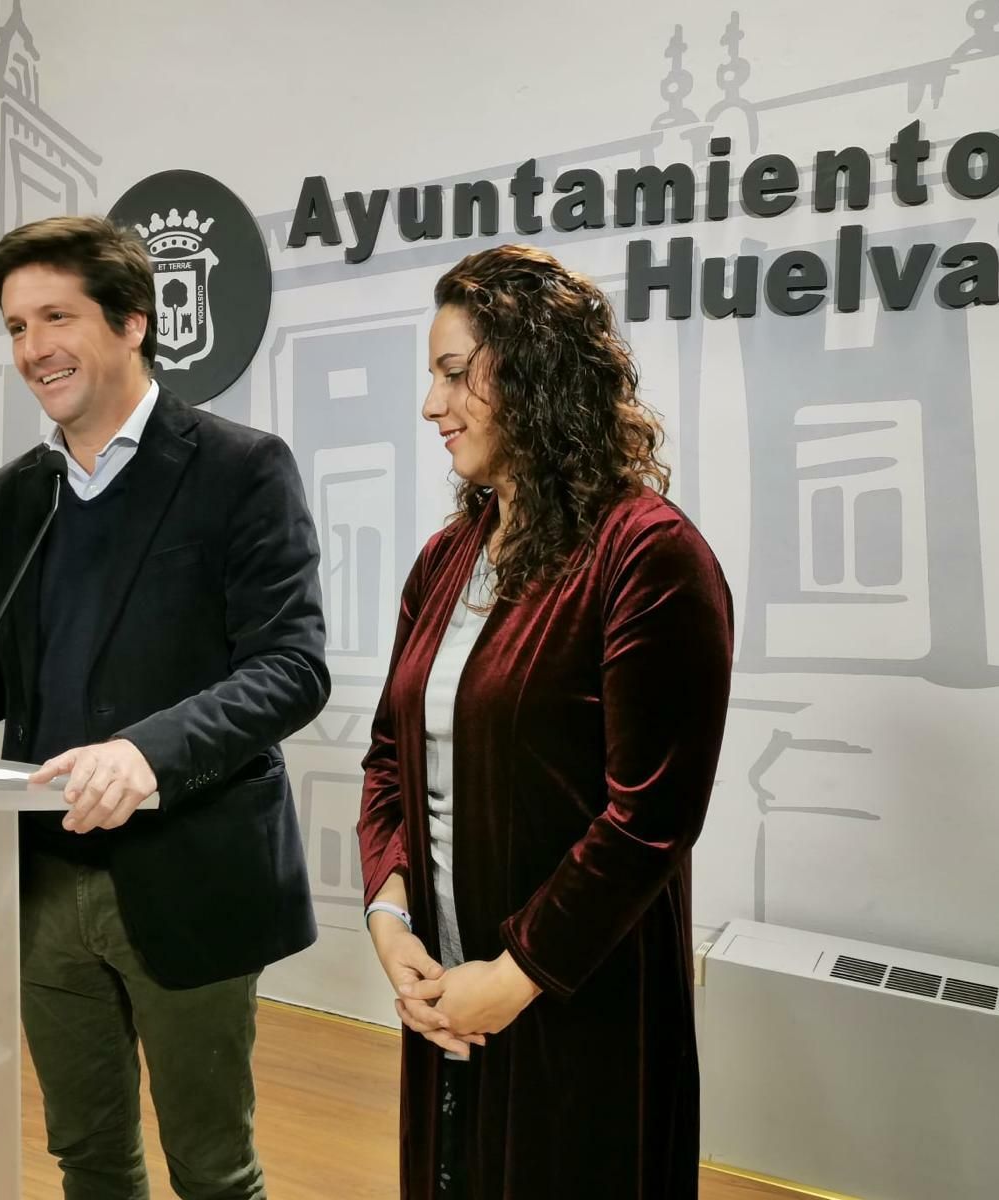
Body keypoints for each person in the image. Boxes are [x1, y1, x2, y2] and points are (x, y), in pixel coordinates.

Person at [0, 215, 328, 1200]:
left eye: (56, 317)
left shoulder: (240, 468)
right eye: (15, 326)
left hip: (191, 870)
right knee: (87, 1157)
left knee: (213, 1170)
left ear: (131, 321)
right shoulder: (18, 493)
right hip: (41, 880)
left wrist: (147, 751)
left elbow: (290, 668)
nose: (33, 347)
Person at [356, 244, 734, 1198]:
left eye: (455, 374)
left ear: (535, 374)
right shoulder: (446, 559)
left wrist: (514, 975)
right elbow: (390, 759)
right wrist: (391, 919)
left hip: (576, 1003)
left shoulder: (649, 555)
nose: (433, 405)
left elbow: (649, 816)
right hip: (444, 991)